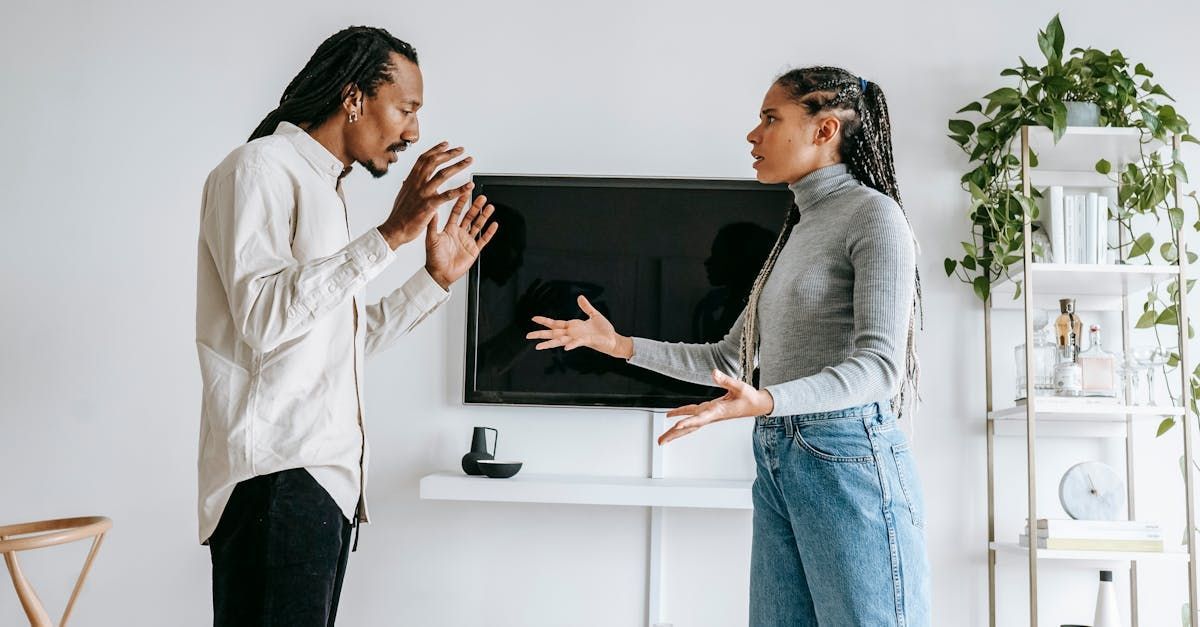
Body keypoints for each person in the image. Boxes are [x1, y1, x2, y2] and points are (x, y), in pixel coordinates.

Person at [527, 66, 930, 625]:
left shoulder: (874, 217)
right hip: (780, 458)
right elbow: (727, 360)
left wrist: (766, 400)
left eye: (770, 118)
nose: (753, 134)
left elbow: (881, 368)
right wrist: (619, 345)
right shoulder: (797, 228)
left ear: (824, 129)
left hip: (848, 458)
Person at [195, 26, 497, 626]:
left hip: (323, 488)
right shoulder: (258, 169)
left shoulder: (327, 192)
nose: (413, 132)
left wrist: (432, 280)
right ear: (354, 97)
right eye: (406, 109)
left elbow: (340, 341)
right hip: (276, 481)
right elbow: (261, 318)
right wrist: (389, 236)